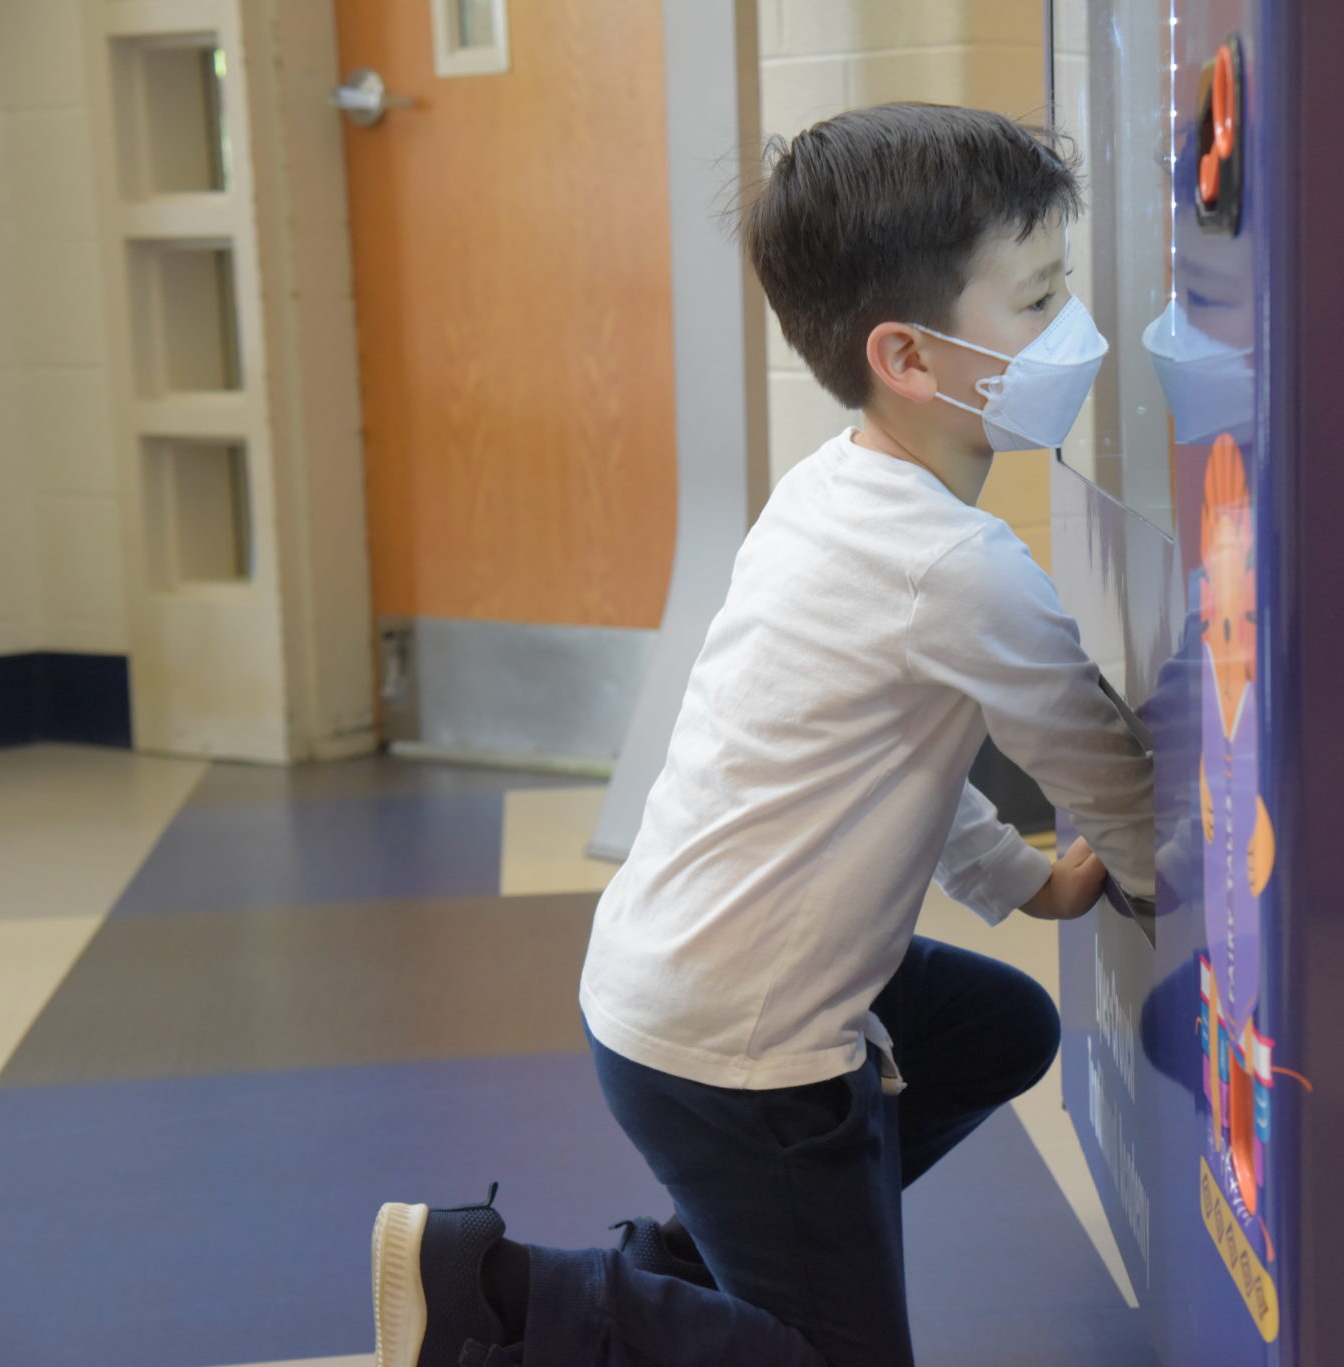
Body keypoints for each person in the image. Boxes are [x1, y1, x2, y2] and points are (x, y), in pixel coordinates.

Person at [369, 102, 1154, 1367]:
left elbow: (906, 740)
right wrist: (1189, 888)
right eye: (1038, 297)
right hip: (738, 1048)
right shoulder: (957, 565)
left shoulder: (835, 488)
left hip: (675, 971)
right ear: (907, 353)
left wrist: (1022, 879)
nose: (1071, 330)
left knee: (1001, 1031)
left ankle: (696, 1264)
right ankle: (500, 1294)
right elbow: (1100, 764)